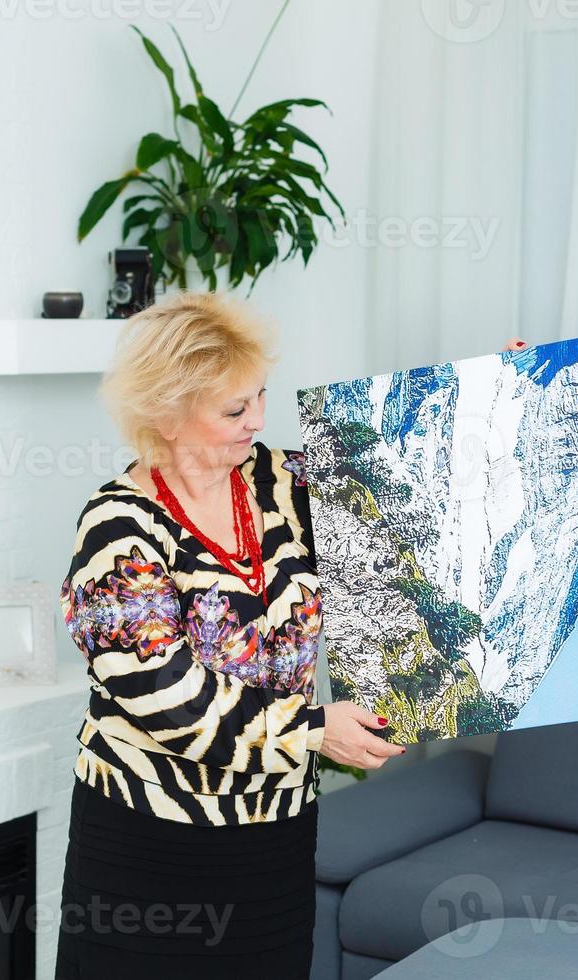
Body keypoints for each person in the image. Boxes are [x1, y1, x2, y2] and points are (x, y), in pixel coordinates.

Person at [54, 289, 528, 978]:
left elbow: (415, 493)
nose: (259, 421)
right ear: (168, 412)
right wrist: (314, 730)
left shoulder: (280, 482)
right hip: (151, 844)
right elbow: (167, 699)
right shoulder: (117, 530)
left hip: (275, 833)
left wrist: (497, 401)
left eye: (261, 398)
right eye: (234, 409)